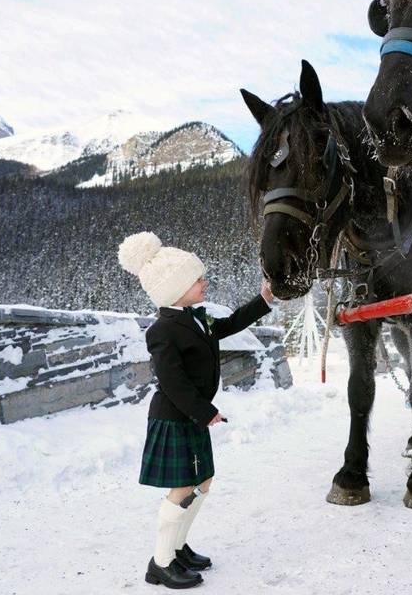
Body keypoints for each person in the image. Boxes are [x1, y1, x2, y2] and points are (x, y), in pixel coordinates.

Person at [118, 231, 275, 589]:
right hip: (175, 417)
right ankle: (160, 563)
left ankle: (177, 547)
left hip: (192, 416)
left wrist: (263, 299)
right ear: (175, 288)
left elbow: (231, 324)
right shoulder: (163, 330)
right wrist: (205, 412)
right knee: (182, 487)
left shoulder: (195, 318)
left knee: (203, 482)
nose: (205, 282)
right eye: (197, 279)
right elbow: (173, 383)